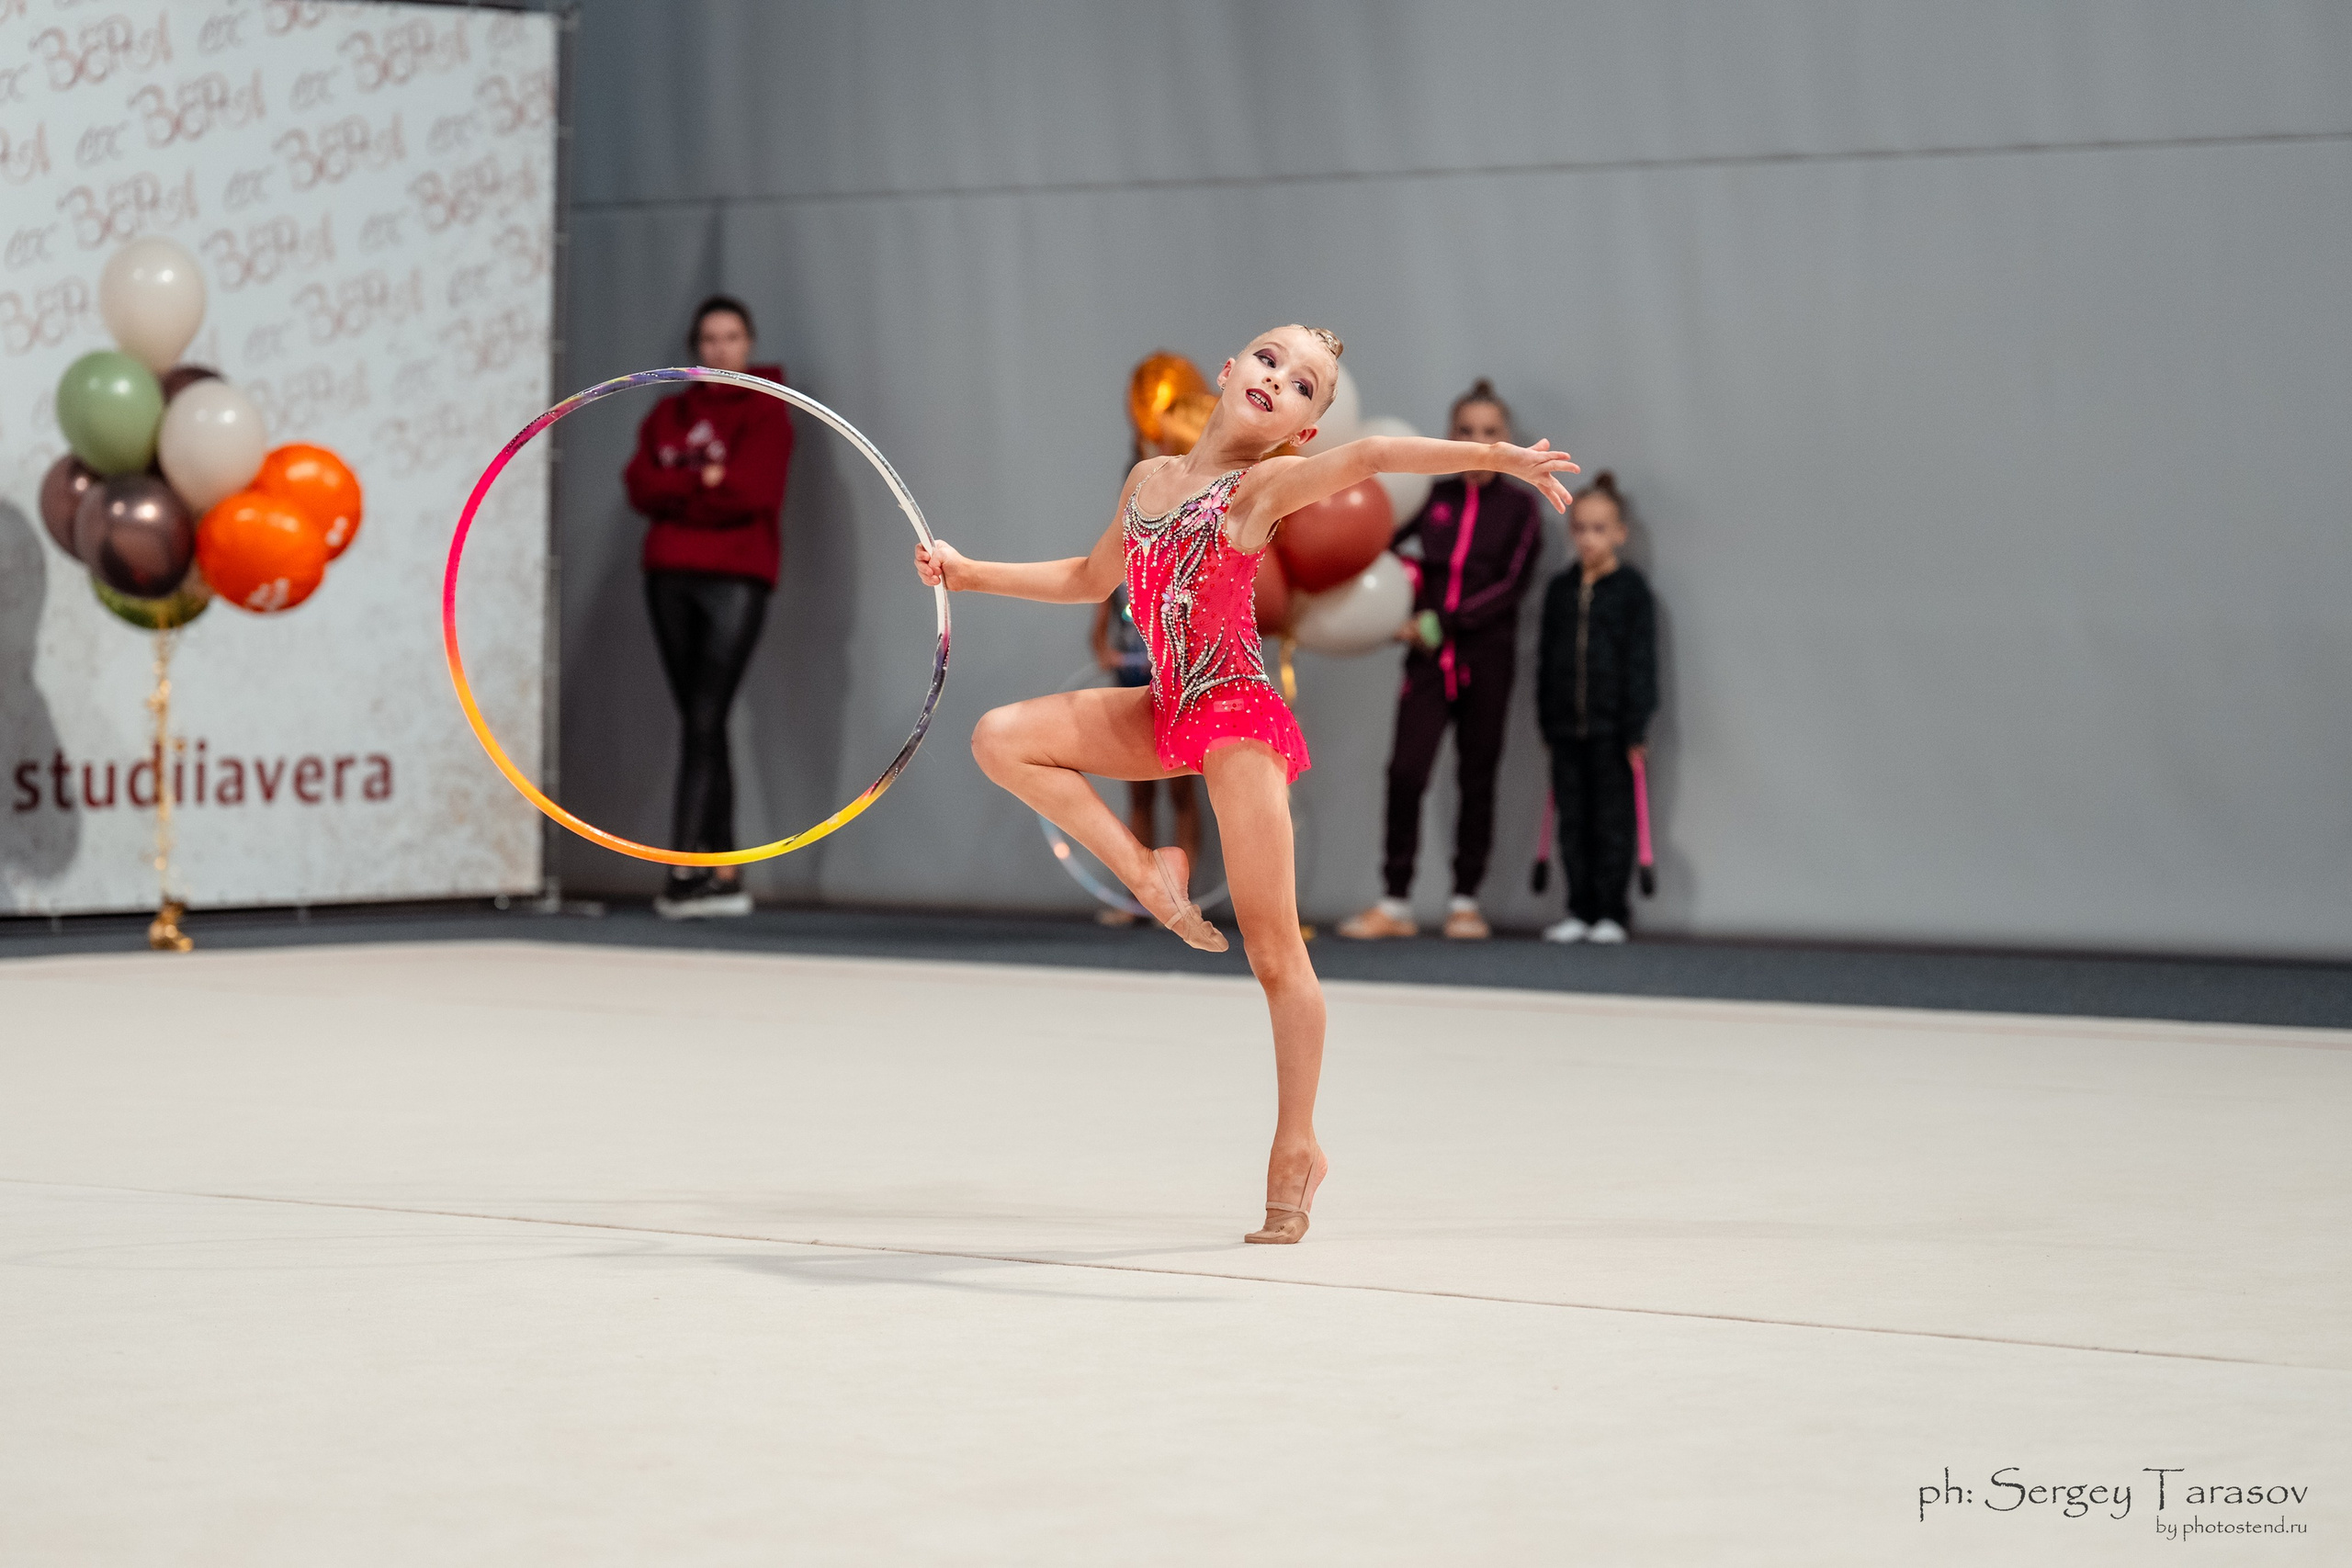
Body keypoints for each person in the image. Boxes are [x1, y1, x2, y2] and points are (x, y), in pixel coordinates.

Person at [913, 325, 1577, 1242]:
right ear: (1226, 372)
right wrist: (966, 571)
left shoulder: (1262, 488)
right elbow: (1087, 577)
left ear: (1303, 430)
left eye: (1305, 384)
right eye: (1268, 360)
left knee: (1274, 955)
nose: (1279, 380)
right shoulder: (1147, 482)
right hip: (1165, 704)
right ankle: (1148, 872)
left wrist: (1498, 458)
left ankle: (1298, 1143)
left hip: (1233, 718)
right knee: (999, 739)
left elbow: (1379, 452)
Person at [1337, 379, 1545, 942]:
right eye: (1467, 432)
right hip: (1428, 660)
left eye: (1490, 433)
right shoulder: (1433, 498)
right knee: (1405, 772)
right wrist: (1393, 616)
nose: (1478, 442)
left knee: (1477, 778)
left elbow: (1509, 586)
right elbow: (1371, 543)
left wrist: (1438, 623)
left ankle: (1464, 901)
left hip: (1487, 659)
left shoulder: (1522, 507)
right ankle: (1395, 902)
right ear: (1452, 438)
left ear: (1506, 441)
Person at [621, 296, 794, 919]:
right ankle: (721, 870)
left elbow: (753, 489)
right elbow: (640, 484)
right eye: (709, 339)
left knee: (704, 714)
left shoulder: (769, 409)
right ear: (697, 348)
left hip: (738, 575)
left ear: (749, 343)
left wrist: (685, 489)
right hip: (669, 574)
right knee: (701, 720)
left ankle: (685, 868)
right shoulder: (670, 411)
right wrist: (706, 481)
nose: (720, 349)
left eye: (731, 337)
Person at [1535, 471, 1657, 943]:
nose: (1589, 538)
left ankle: (1611, 912)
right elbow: (1545, 661)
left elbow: (1641, 662)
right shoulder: (1559, 589)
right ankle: (1579, 909)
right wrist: (1547, 720)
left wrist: (1636, 728)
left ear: (1620, 533)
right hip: (1566, 729)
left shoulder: (1631, 592)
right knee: (1573, 820)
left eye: (1600, 529)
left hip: (1613, 731)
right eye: (1581, 528)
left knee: (1612, 820)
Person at [1088, 585, 1200, 924]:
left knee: (1181, 794)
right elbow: (1099, 633)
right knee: (1139, 794)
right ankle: (1136, 900)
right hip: (1131, 689)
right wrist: (1107, 654)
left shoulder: (1179, 566)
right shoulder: (1119, 575)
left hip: (1175, 691)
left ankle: (1181, 901)